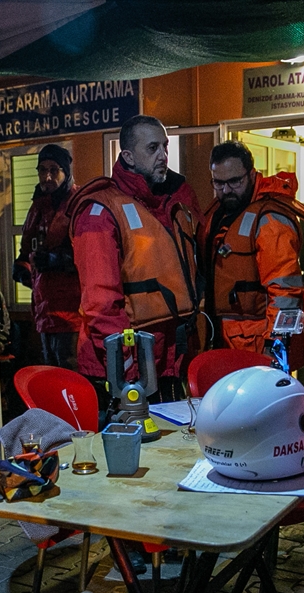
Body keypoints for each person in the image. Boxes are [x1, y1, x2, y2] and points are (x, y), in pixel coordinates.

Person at [68, 114, 202, 400]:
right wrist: (125, 370)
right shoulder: (100, 213)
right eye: (153, 148)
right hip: (122, 368)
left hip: (165, 362)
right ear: (127, 156)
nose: (163, 156)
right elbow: (101, 304)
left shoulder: (169, 204)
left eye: (165, 147)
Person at [202, 140, 304, 364]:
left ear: (252, 175)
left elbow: (285, 291)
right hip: (224, 338)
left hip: (258, 344)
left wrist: (275, 343)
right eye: (218, 183)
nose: (226, 190)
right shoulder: (217, 213)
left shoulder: (270, 219)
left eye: (234, 181)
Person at [12, 143, 82, 369]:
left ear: (66, 172)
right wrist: (22, 267)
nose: (47, 176)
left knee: (71, 375)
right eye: (43, 170)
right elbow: (28, 249)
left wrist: (58, 262)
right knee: (52, 373)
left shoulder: (78, 204)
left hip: (72, 314)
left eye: (54, 169)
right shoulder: (38, 206)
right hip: (44, 310)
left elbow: (91, 256)